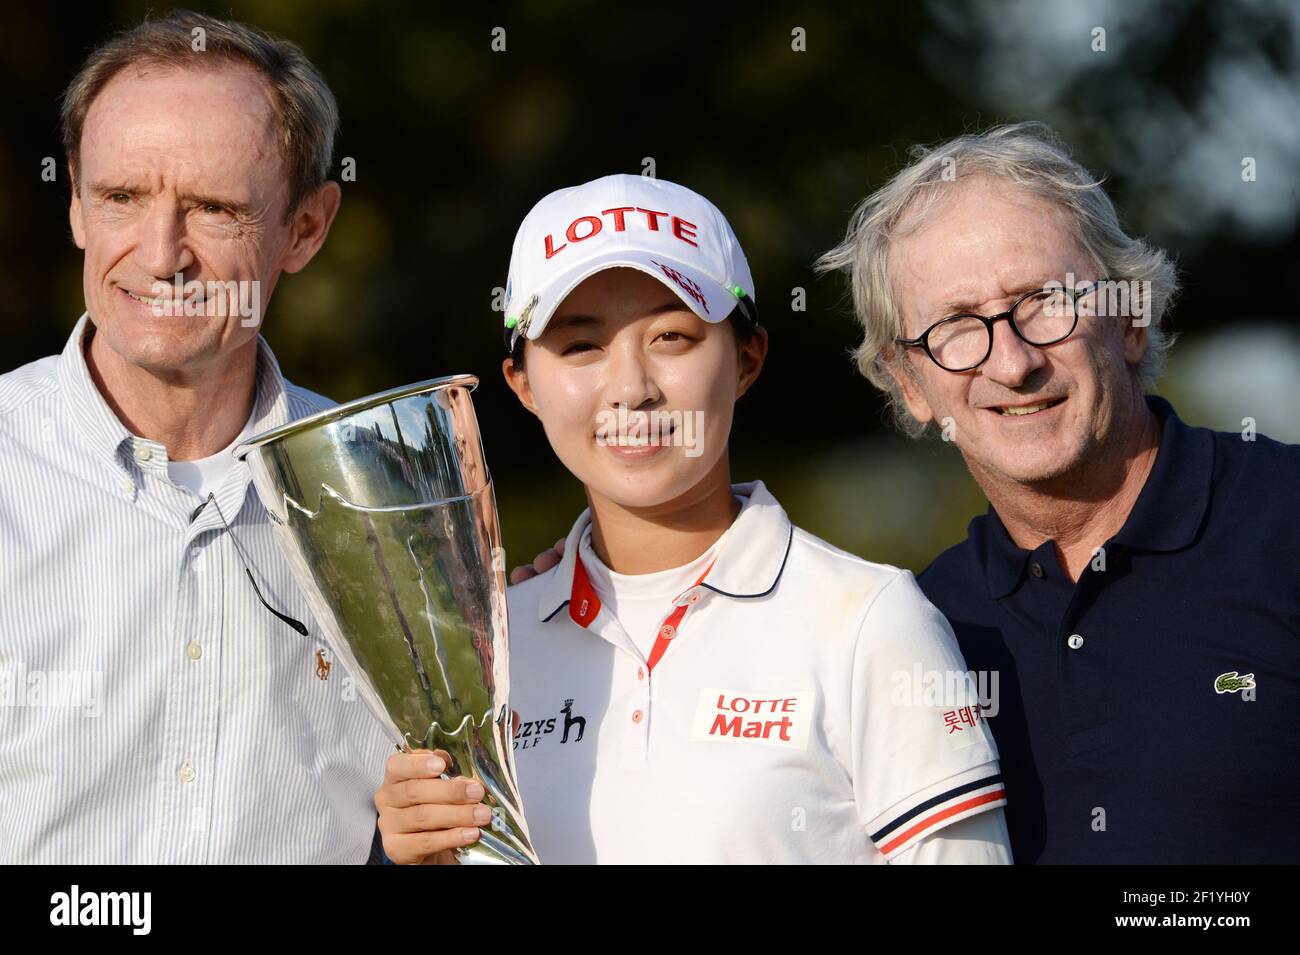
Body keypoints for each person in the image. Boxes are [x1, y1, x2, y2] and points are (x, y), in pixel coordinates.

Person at [373, 174, 1013, 864]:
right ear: (522, 384)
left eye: (672, 336)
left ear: (746, 359)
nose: (632, 389)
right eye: (582, 345)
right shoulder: (484, 660)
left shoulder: (870, 620)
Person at [814, 122, 1300, 863]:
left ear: (1130, 318)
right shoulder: (912, 630)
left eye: (1043, 299)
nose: (1011, 363)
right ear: (910, 382)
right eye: (956, 326)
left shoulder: (1285, 519)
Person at [0, 10, 398, 862]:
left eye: (213, 209)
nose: (160, 253)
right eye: (121, 197)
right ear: (73, 201)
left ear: (306, 227)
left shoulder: (393, 501)